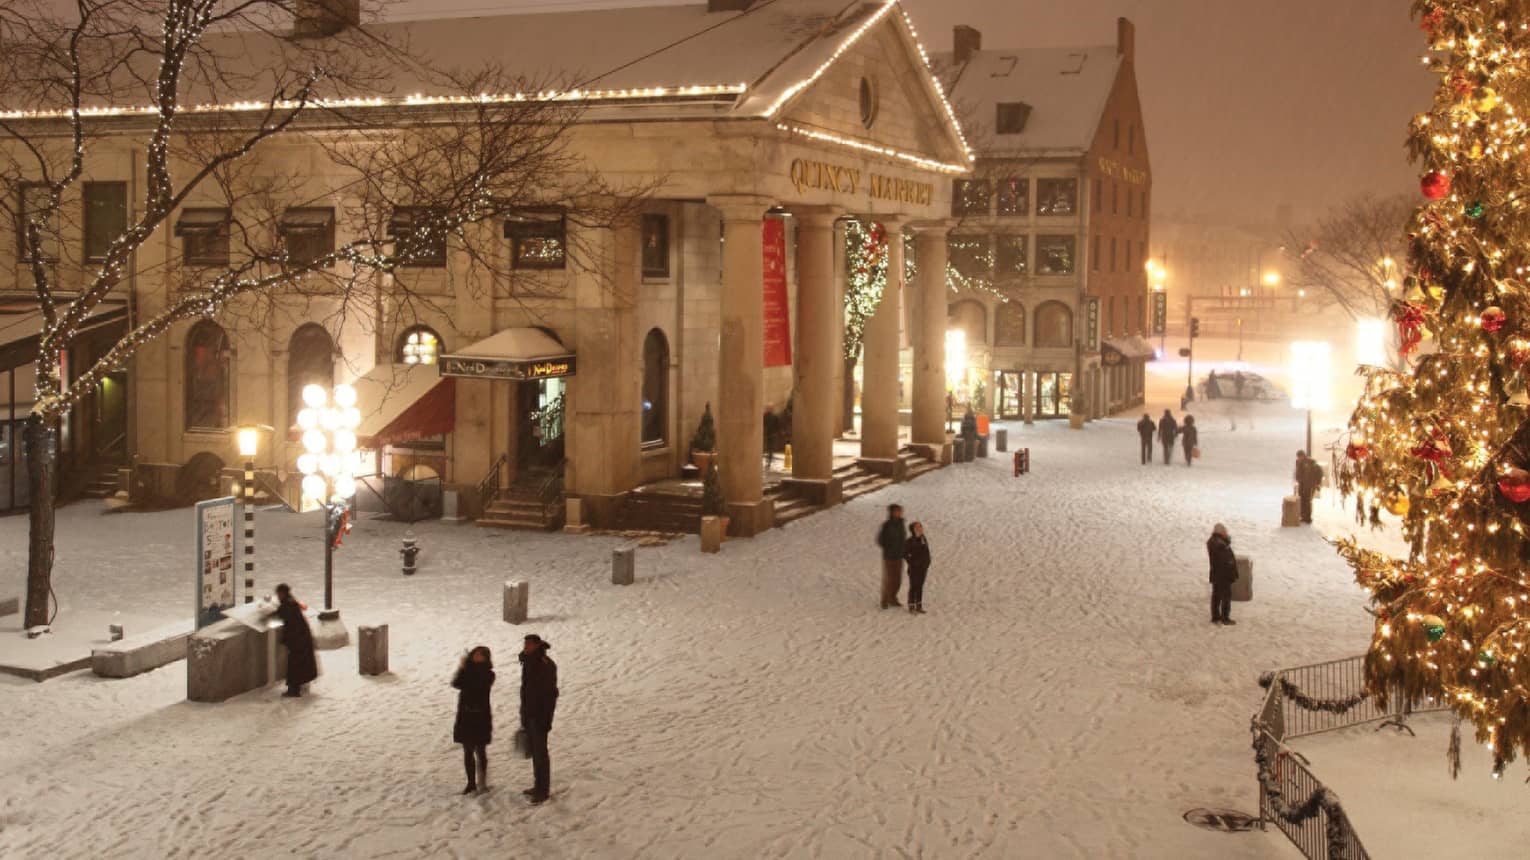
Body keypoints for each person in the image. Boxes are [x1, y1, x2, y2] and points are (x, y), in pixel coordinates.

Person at [519, 634, 559, 804]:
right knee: (536, 752)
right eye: (525, 644)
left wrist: (543, 717)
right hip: (530, 714)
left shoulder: (544, 664)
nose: (525, 647)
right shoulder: (529, 662)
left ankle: (543, 790)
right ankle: (538, 786)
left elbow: (548, 694)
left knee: (540, 753)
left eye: (528, 644)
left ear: (537, 645)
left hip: (540, 716)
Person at [453, 645, 495, 795]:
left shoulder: (489, 674)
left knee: (480, 750)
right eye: (475, 654)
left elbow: (476, 686)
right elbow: (456, 683)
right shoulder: (466, 671)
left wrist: (466, 669)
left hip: (481, 717)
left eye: (480, 655)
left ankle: (482, 782)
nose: (477, 657)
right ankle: (470, 783)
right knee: (467, 751)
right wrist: (462, 668)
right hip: (465, 716)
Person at [273, 583, 317, 697]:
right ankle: (297, 686)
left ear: (282, 593)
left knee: (294, 664)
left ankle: (294, 690)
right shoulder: (291, 602)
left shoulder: (287, 605)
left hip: (297, 639)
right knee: (299, 663)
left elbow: (280, 615)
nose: (277, 596)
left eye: (278, 594)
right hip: (301, 637)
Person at [876, 504, 907, 609]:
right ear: (892, 513)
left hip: (899, 555)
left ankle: (893, 598)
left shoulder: (901, 524)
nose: (899, 513)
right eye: (897, 511)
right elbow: (880, 540)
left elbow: (903, 538)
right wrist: (888, 547)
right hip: (889, 556)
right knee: (889, 579)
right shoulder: (887, 525)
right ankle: (884, 600)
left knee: (897, 579)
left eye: (900, 511)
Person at [1207, 523, 1238, 625]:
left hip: (1216, 573)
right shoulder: (1220, 544)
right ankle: (1225, 618)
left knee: (1216, 596)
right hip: (1223, 575)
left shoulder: (1212, 542)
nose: (1226, 533)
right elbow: (1226, 559)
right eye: (1225, 531)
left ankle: (1215, 616)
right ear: (1221, 532)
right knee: (1225, 597)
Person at [904, 521, 931, 615]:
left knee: (920, 586)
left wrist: (927, 562)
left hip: (923, 567)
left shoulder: (923, 538)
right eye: (917, 527)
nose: (920, 528)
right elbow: (904, 554)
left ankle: (919, 605)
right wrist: (912, 563)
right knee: (913, 586)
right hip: (914, 568)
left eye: (920, 526)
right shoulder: (910, 541)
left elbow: (926, 552)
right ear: (913, 530)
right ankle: (911, 606)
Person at [1295, 450, 1324, 524]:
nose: (1298, 458)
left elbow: (1319, 472)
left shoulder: (1311, 462)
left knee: (1307, 501)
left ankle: (1308, 518)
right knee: (1302, 500)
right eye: (1298, 457)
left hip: (1309, 485)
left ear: (1303, 455)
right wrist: (1298, 479)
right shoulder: (1299, 463)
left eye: (1299, 456)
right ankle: (1303, 516)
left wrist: (1317, 483)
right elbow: (1298, 473)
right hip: (1302, 484)